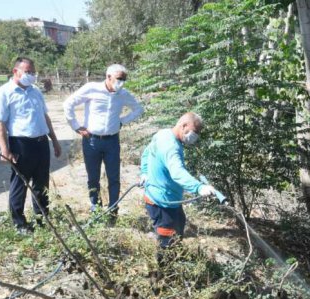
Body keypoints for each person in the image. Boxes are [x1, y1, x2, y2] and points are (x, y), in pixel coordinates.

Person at [63, 64, 143, 222]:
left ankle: (113, 210)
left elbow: (138, 109)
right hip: (92, 140)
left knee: (114, 178)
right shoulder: (92, 88)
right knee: (93, 178)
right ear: (108, 77)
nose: (122, 82)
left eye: (124, 79)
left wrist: (122, 122)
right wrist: (76, 126)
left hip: (112, 141)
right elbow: (68, 104)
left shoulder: (123, 94)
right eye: (119, 79)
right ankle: (96, 209)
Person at [0, 57, 62, 234]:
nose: (31, 75)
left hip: (41, 143)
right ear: (16, 71)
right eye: (28, 72)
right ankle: (19, 224)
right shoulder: (3, 93)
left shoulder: (35, 91)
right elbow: (0, 124)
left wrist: (54, 140)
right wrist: (5, 150)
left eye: (33, 72)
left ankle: (42, 219)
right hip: (21, 145)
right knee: (20, 184)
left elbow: (45, 117)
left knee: (41, 184)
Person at [140, 112, 216, 248]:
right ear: (184, 125)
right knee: (167, 244)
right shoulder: (172, 147)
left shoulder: (163, 134)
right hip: (162, 203)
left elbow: (146, 153)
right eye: (194, 131)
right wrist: (199, 188)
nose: (195, 136)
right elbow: (177, 172)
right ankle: (164, 268)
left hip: (170, 200)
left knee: (179, 227)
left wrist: (144, 172)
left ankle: (172, 258)